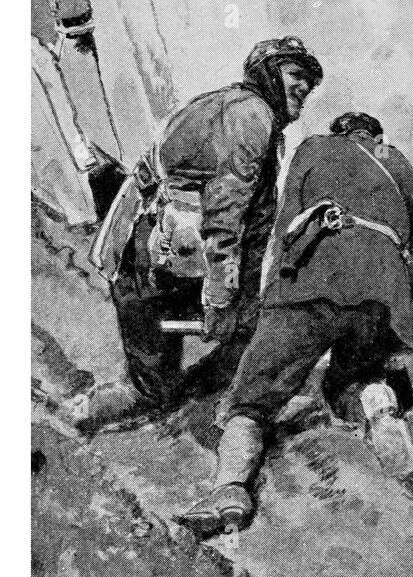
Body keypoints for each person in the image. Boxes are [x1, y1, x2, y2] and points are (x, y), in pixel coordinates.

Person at [179, 110, 413, 536]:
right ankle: (378, 409)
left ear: (341, 131)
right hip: (385, 291)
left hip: (316, 274)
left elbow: (286, 223)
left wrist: (265, 302)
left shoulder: (315, 147)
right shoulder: (398, 162)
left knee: (252, 401)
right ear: (376, 135)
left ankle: (230, 490)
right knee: (354, 380)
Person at [76, 38, 323, 432]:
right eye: (296, 75)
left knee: (240, 331)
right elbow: (225, 218)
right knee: (167, 378)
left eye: (309, 82)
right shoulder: (250, 118)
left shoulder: (239, 109)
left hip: (153, 254)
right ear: (268, 72)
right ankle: (185, 400)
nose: (305, 88)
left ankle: (176, 391)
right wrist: (220, 302)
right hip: (161, 259)